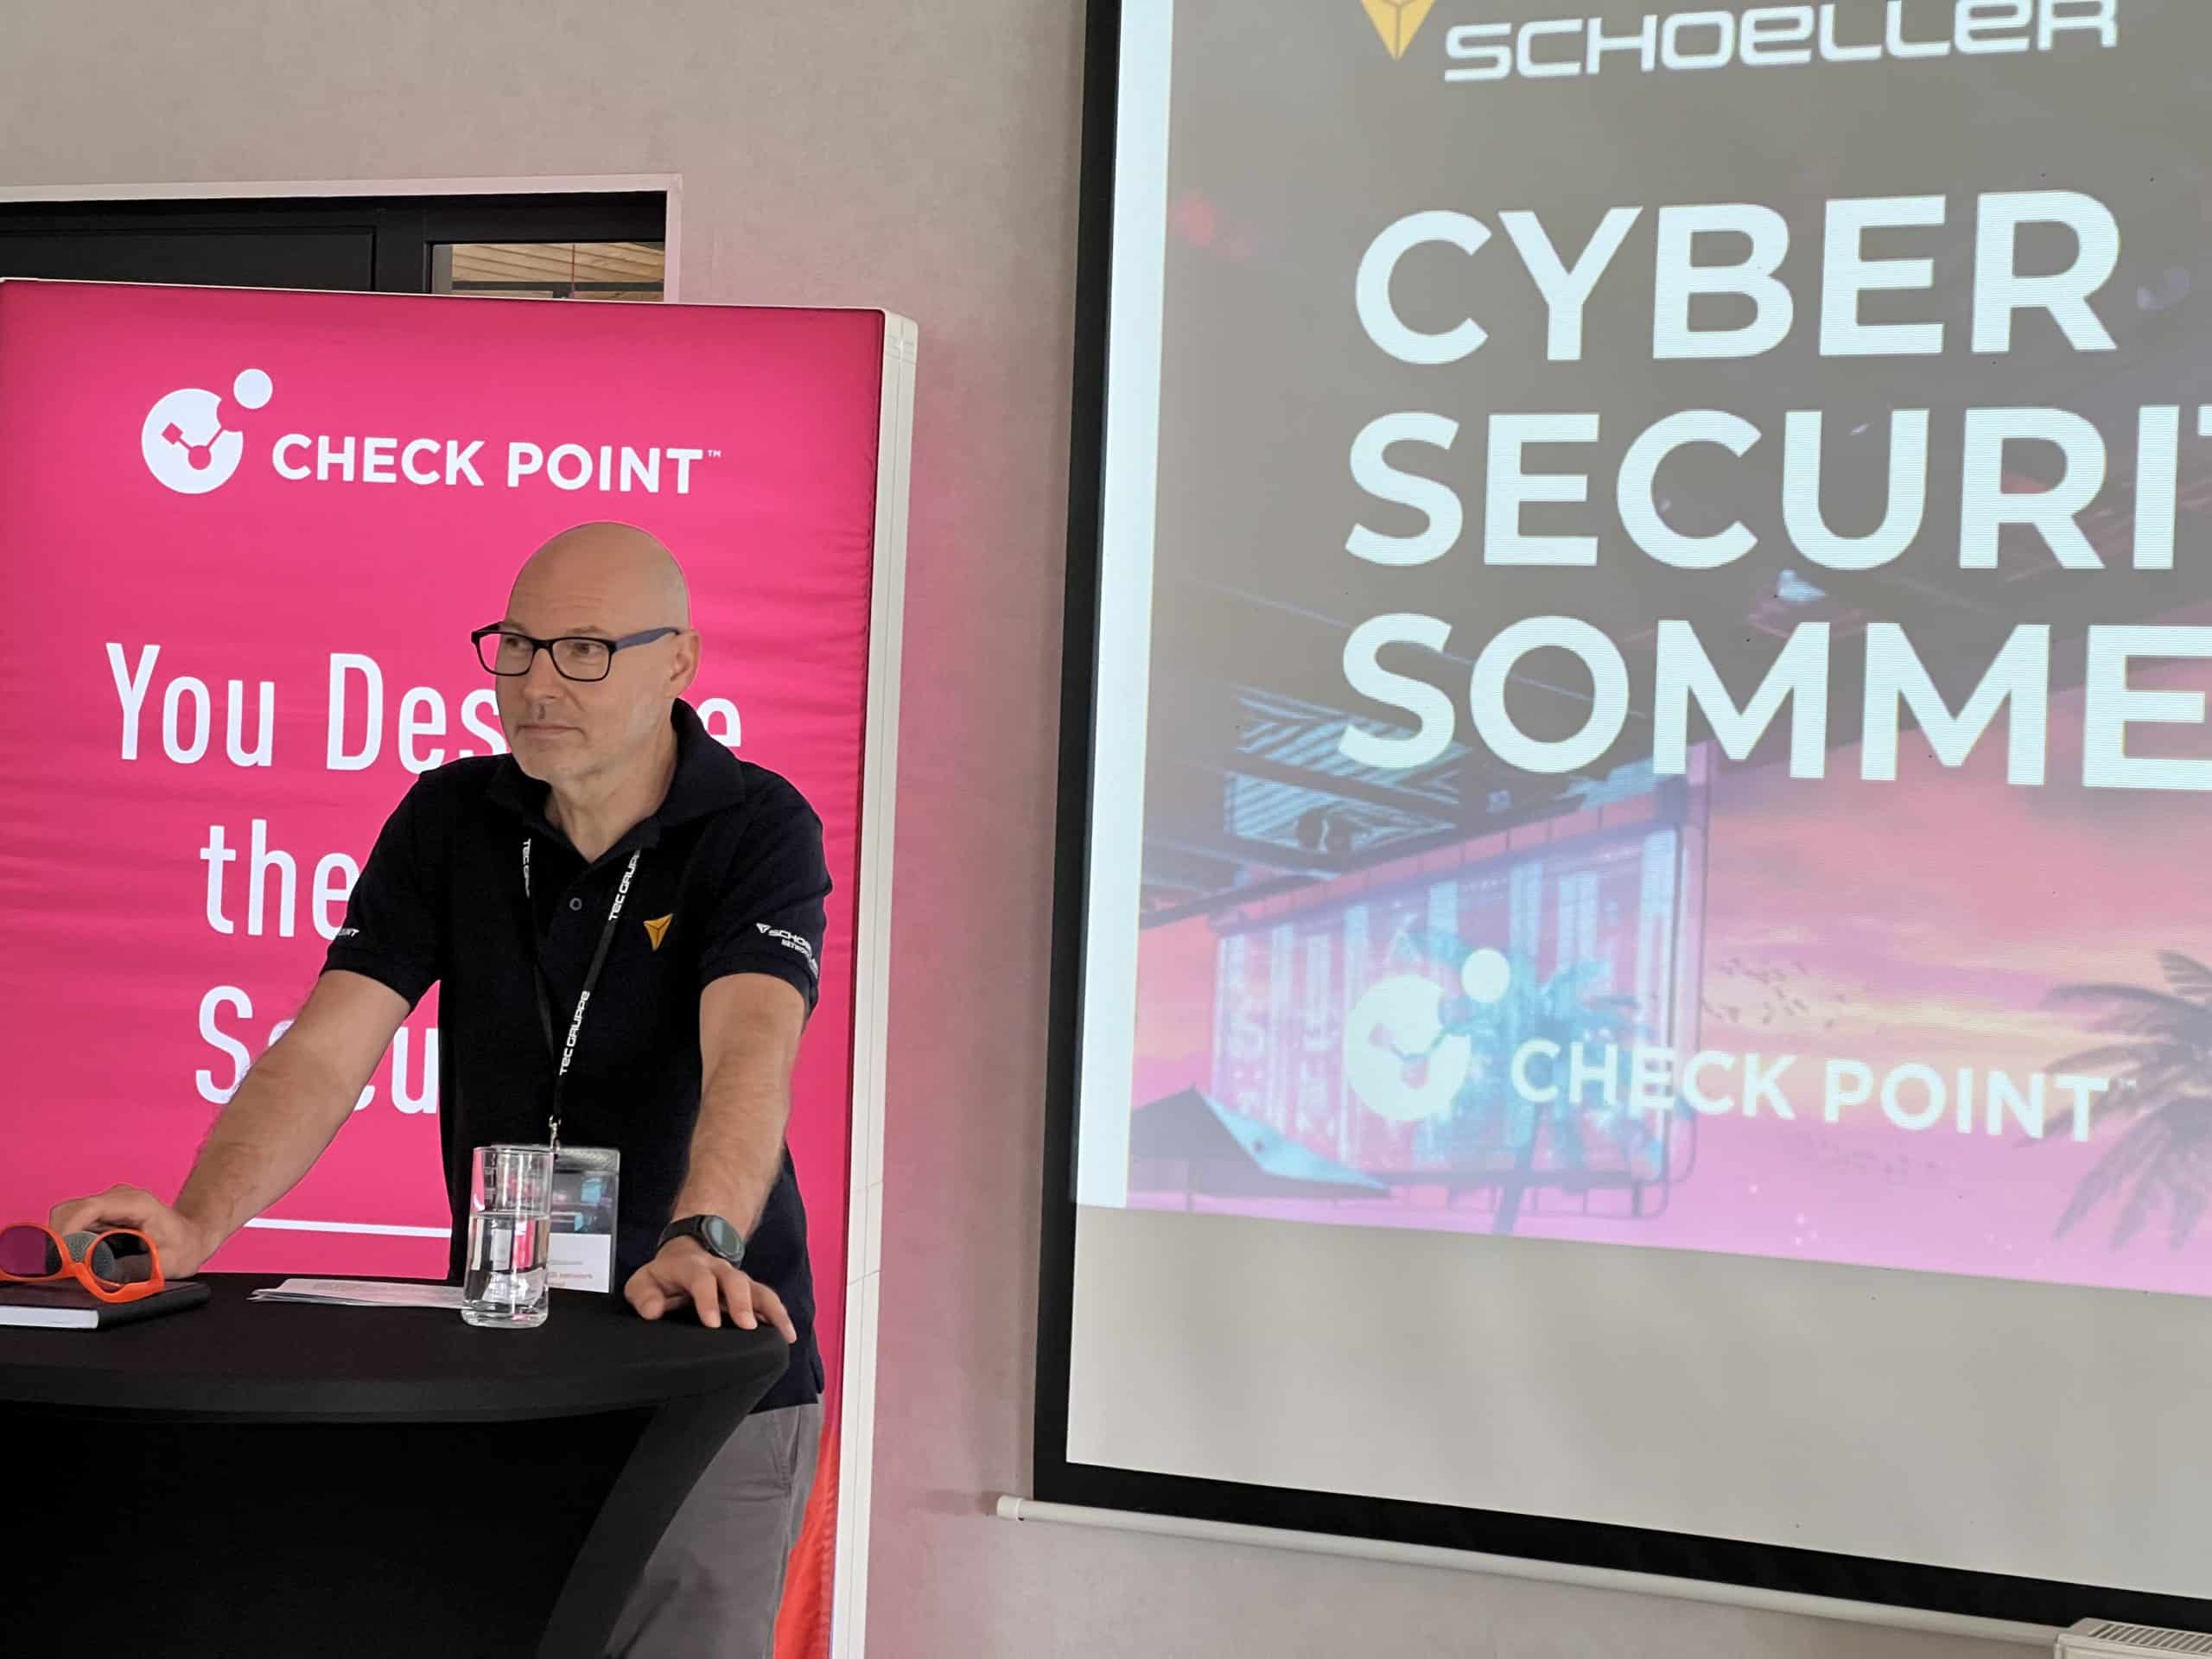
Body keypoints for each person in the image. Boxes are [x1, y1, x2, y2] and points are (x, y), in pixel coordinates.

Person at [48, 521, 828, 1658]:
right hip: (509, 1361)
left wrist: (700, 1231)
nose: (537, 684)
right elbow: (326, 1050)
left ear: (679, 662)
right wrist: (195, 1223)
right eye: (516, 647)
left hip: (705, 1363)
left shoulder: (757, 825)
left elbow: (751, 1051)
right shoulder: (452, 816)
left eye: (584, 651)